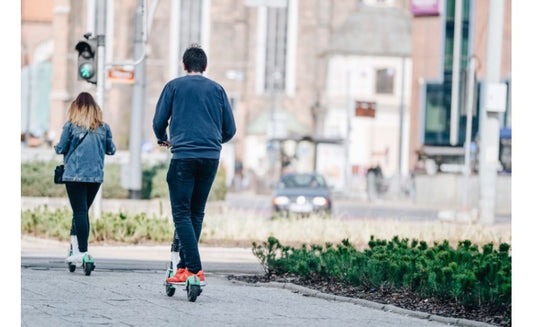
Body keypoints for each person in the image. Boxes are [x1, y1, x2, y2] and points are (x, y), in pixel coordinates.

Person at [153, 44, 236, 284]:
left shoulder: (174, 87)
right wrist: (211, 142)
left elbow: (159, 121)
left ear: (184, 65)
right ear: (205, 66)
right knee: (196, 212)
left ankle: (195, 269)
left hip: (184, 157)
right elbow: (230, 129)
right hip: (210, 158)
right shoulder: (218, 90)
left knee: (181, 213)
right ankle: (183, 268)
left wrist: (163, 138)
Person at [54, 92, 116, 265]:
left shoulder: (70, 126)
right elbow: (111, 150)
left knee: (79, 212)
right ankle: (74, 247)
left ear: (75, 109)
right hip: (95, 177)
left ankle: (82, 252)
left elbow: (61, 148)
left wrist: (56, 146)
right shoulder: (104, 128)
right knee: (82, 212)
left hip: (74, 176)